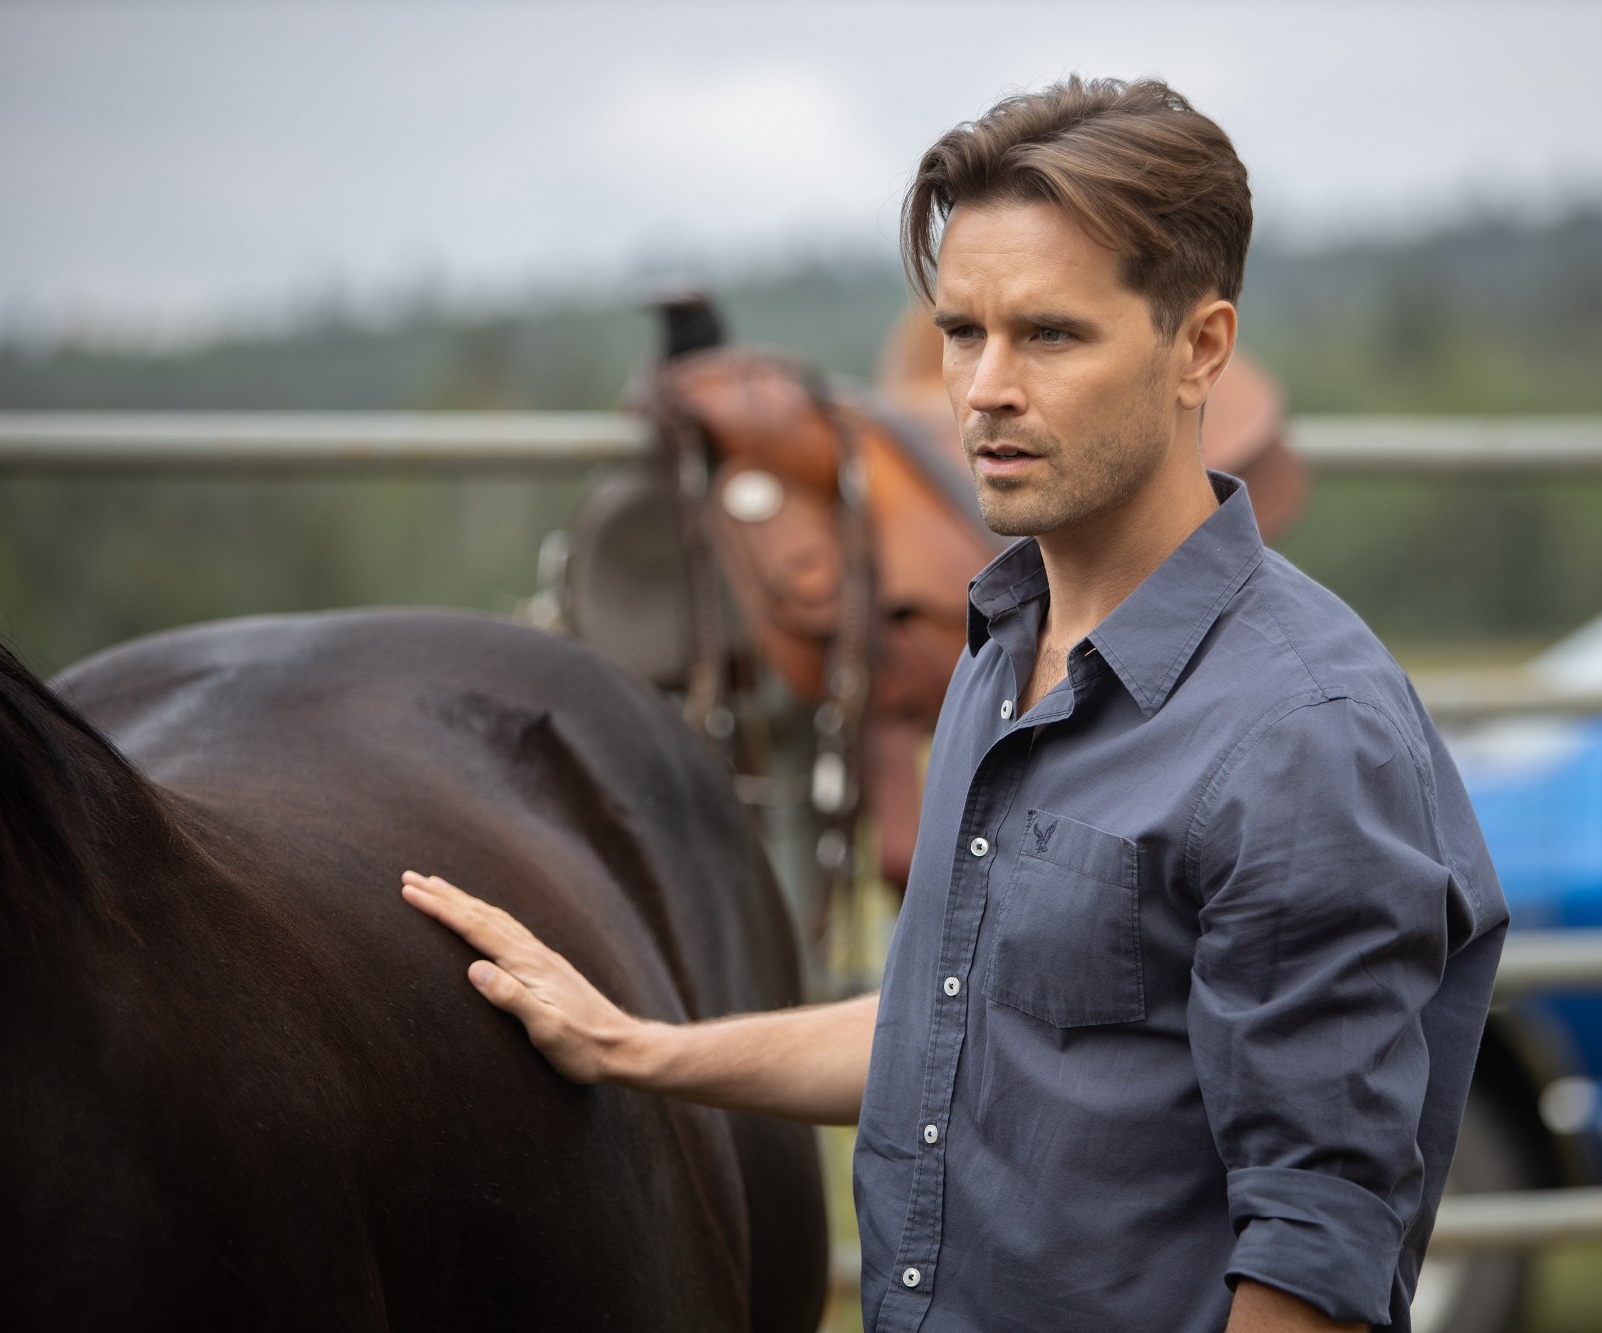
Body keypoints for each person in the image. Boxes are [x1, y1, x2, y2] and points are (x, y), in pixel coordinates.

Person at [403, 75, 1507, 1333]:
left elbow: (1311, 1261)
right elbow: (954, 1024)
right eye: (960, 331)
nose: (982, 387)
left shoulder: (1303, 735)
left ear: (1199, 347)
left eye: (1048, 335)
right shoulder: (999, 650)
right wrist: (637, 1047)